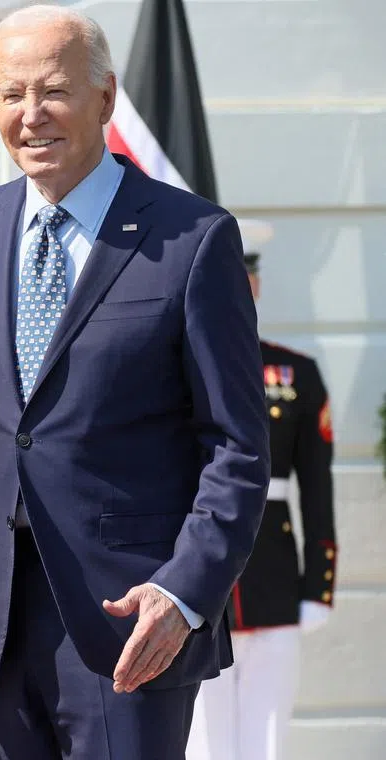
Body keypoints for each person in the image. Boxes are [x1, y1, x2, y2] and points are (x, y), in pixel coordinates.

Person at [0, 5, 270, 759]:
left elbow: (237, 447)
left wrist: (184, 592)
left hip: (133, 622)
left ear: (105, 97)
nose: (30, 116)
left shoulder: (192, 238)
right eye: (10, 94)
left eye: (53, 90)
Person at [187, 220, 337, 760]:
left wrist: (318, 584)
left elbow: (316, 487)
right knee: (204, 741)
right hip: (195, 576)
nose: (243, 284)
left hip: (273, 573)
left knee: (267, 740)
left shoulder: (295, 373)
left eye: (248, 273)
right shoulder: (176, 365)